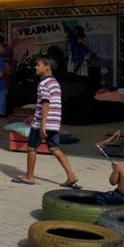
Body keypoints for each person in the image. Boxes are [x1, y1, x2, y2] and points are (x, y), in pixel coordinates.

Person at [13, 56, 80, 189]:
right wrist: (33, 116)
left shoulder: (43, 83)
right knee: (55, 148)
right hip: (54, 122)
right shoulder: (55, 83)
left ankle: (29, 176)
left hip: (42, 123)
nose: (35, 67)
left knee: (32, 147)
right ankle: (71, 175)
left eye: (38, 65)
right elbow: (46, 105)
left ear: (47, 67)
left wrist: (42, 125)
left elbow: (45, 104)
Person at [96, 133, 124, 205]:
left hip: (123, 199)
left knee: (101, 198)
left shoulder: (121, 167)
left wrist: (115, 170)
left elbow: (112, 182)